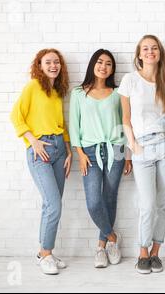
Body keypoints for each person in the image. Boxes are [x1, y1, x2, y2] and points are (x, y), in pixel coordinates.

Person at [119, 35, 165, 274]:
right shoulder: (130, 81)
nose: (150, 52)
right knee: (148, 203)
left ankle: (156, 253)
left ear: (160, 52)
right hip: (142, 147)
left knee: (164, 202)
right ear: (139, 54)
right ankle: (142, 252)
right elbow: (125, 118)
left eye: (154, 48)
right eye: (145, 48)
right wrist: (132, 145)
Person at [10, 48, 72, 275]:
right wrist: (33, 142)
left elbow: (60, 122)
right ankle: (45, 254)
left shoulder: (56, 91)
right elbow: (15, 115)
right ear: (39, 65)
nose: (53, 65)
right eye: (48, 62)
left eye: (57, 62)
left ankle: (44, 252)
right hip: (40, 151)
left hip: (58, 149)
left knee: (52, 205)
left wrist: (68, 148)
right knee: (53, 204)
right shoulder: (33, 87)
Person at [69, 49, 132, 269]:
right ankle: (113, 237)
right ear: (92, 65)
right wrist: (79, 154)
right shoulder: (78, 93)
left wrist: (128, 155)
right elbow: (73, 126)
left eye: (108, 64)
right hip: (89, 152)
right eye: (99, 62)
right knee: (94, 201)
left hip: (116, 149)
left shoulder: (117, 93)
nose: (103, 67)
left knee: (109, 198)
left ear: (112, 69)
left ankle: (101, 246)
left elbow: (125, 122)